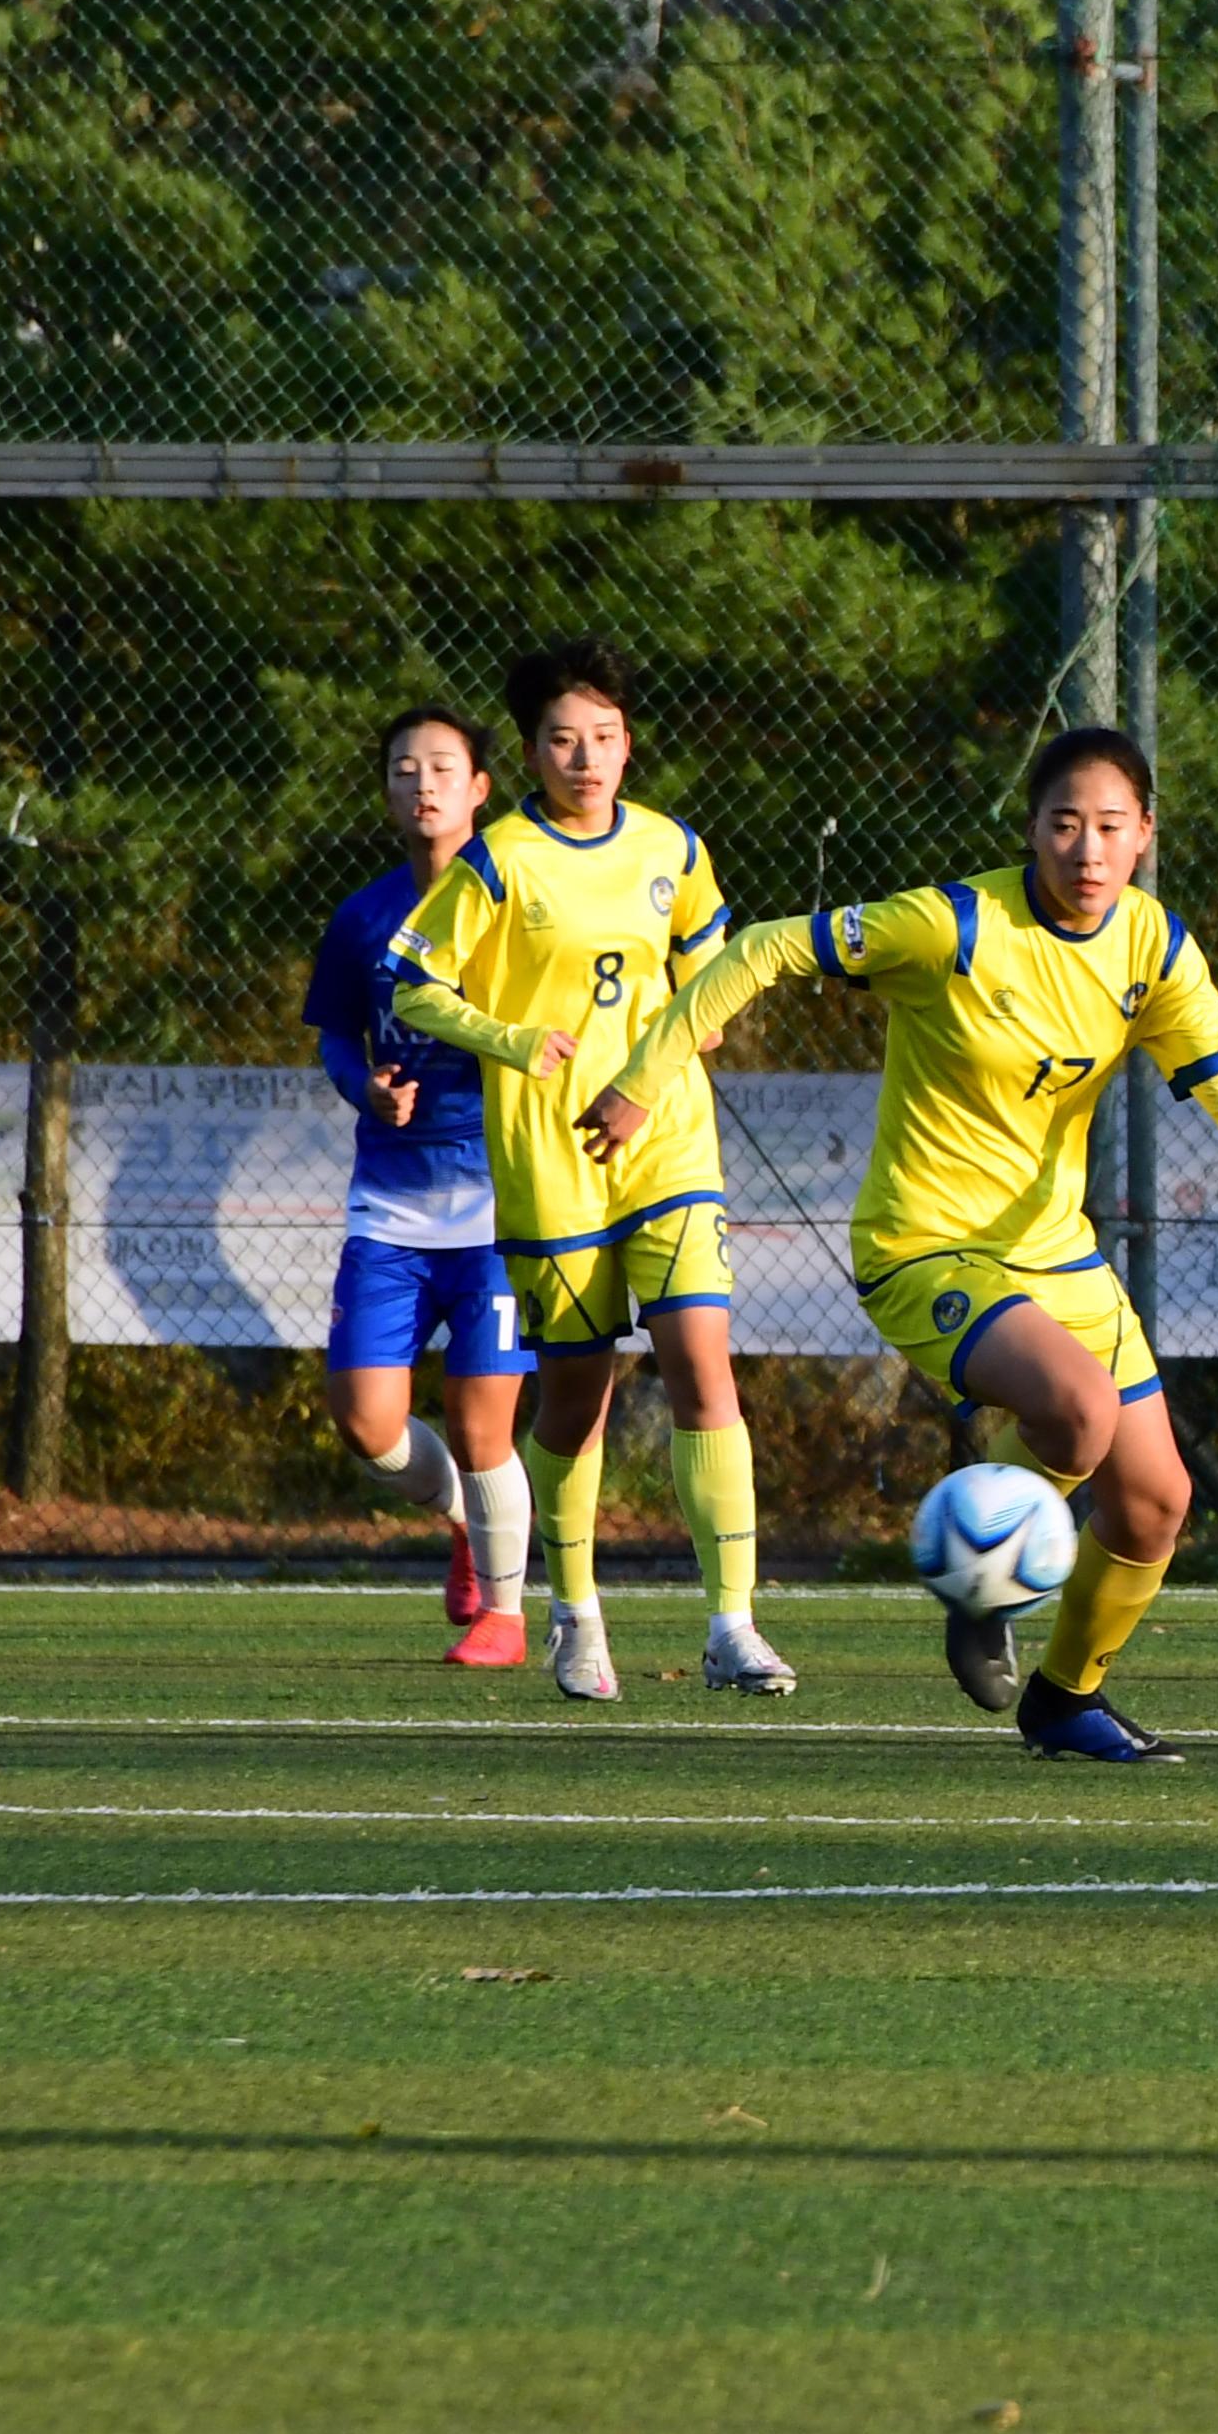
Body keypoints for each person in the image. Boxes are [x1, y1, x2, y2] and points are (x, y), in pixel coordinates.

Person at [598, 726, 1218, 1761]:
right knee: (1076, 1413)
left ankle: (1065, 1699)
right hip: (925, 1247)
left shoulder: (1153, 946)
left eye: (1110, 828)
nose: (1086, 850)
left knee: (1156, 1502)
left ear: (1145, 839)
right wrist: (642, 1079)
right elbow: (763, 946)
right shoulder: (952, 925)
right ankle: (977, 1579)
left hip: (1057, 1256)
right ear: (1032, 830)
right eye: (1064, 824)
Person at [384, 641, 781, 1703]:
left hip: (668, 1142)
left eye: (604, 737)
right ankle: (575, 1614)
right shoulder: (500, 859)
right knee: (575, 1402)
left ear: (628, 743)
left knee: (704, 1364)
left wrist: (672, 1053)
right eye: (564, 739)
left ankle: (732, 1624)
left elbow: (715, 971)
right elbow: (411, 985)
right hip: (551, 1157)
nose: (586, 756)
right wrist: (511, 1039)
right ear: (530, 752)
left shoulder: (671, 846)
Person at [300, 705, 534, 1670]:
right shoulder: (363, 917)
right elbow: (332, 1036)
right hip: (390, 1210)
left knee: (486, 1432)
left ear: (481, 789)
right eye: (405, 768)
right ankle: (469, 1528)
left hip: (500, 1209)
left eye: (445, 767)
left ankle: (510, 1620)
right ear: (389, 793)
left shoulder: (521, 910)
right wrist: (367, 1087)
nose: (425, 783)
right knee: (366, 1423)